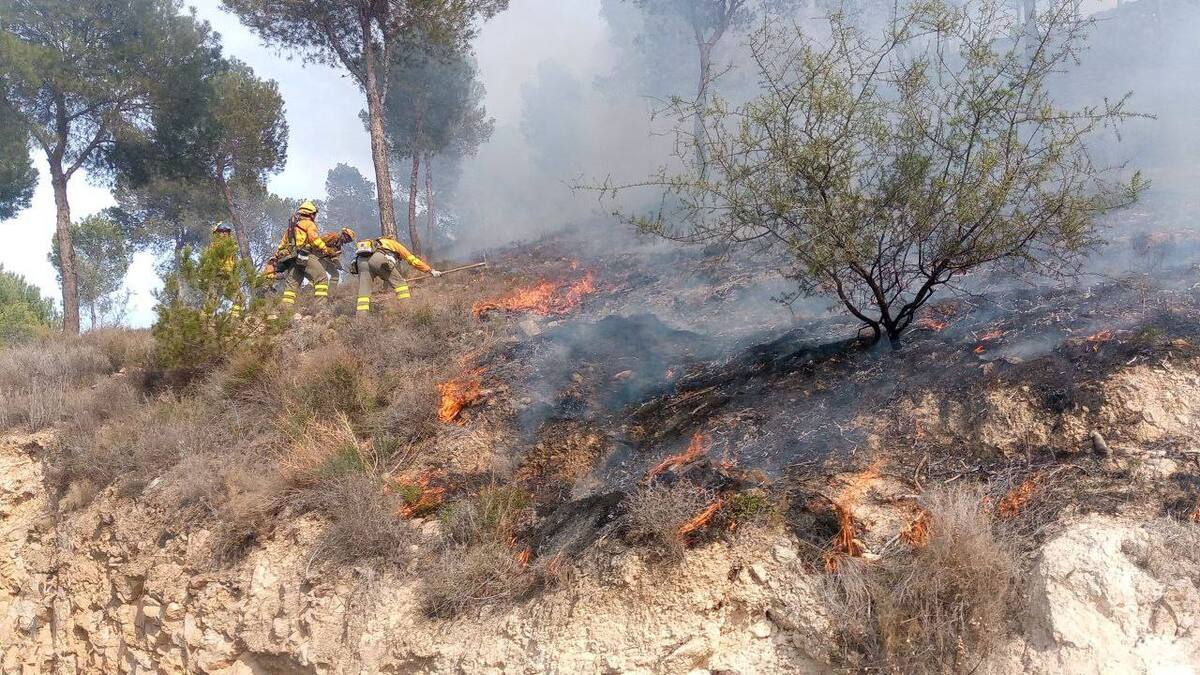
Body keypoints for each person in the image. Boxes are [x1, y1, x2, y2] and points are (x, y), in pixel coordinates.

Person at [351, 237, 442, 313]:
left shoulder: (377, 244)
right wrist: (430, 270)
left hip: (361, 262)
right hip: (378, 259)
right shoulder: (395, 244)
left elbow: (382, 274)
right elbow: (413, 261)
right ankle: (406, 309)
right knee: (401, 285)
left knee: (363, 293)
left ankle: (361, 317)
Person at [275, 201, 331, 308]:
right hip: (304, 256)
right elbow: (314, 240)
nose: (315, 216)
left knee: (291, 287)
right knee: (322, 278)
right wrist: (325, 249)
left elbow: (282, 245)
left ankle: (284, 309)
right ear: (311, 214)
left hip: (293, 259)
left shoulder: (291, 227)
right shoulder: (309, 224)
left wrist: (277, 257)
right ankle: (320, 308)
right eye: (314, 214)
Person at [209, 222, 242, 318]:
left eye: (226, 232)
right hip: (218, 275)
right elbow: (210, 260)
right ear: (217, 233)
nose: (224, 234)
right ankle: (207, 318)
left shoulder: (232, 246)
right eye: (221, 231)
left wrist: (235, 275)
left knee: (238, 297)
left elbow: (234, 261)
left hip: (229, 275)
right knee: (212, 298)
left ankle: (235, 317)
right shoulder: (215, 245)